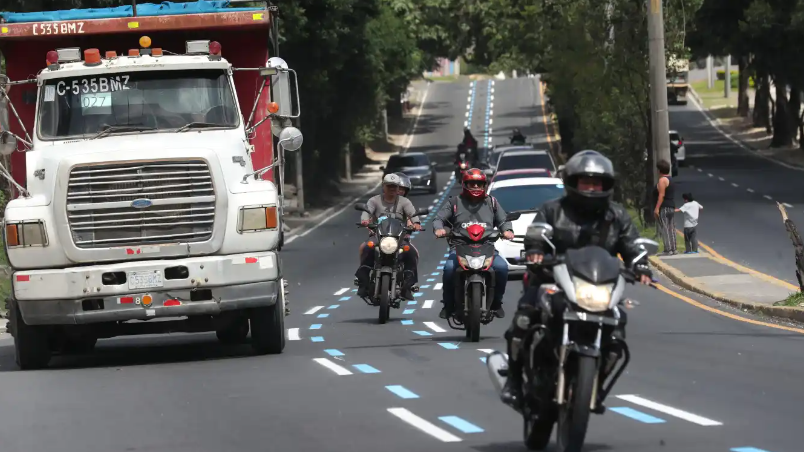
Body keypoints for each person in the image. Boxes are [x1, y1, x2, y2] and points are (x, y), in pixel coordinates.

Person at [500, 150, 654, 405]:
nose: (591, 187)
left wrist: (641, 264)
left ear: (606, 185)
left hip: (597, 283)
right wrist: (536, 251)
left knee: (618, 329)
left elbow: (632, 244)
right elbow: (536, 234)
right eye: (586, 181)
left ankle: (594, 382)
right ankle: (514, 381)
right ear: (573, 182)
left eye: (597, 182)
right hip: (553, 278)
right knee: (524, 319)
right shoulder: (553, 210)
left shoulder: (616, 215)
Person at [432, 168, 514, 319]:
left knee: (502, 268)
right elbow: (439, 219)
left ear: (484, 185)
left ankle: (496, 303)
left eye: (479, 184)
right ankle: (448, 306)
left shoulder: (492, 202)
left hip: (487, 247)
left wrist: (507, 230)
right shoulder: (454, 202)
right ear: (465, 184)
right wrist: (439, 229)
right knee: (449, 269)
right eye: (472, 184)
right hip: (459, 247)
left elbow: (503, 221)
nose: (476, 187)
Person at [355, 173, 422, 300]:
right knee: (366, 248)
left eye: (395, 187)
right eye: (389, 186)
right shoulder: (374, 200)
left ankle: (408, 285)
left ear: (398, 188)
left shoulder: (405, 201)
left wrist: (416, 223)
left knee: (412, 252)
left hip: (399, 237)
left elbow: (412, 214)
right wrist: (365, 221)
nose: (392, 189)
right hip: (378, 236)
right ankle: (363, 282)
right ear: (383, 186)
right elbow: (366, 212)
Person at [653, 159, 677, 255]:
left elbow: (661, 195)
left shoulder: (662, 180)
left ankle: (668, 249)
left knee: (665, 228)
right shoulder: (671, 180)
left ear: (659, 170)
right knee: (671, 228)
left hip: (665, 207)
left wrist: (657, 208)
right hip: (671, 206)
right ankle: (674, 248)